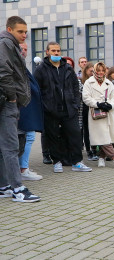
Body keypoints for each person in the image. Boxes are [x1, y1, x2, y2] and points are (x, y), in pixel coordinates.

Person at [0, 16, 41, 202]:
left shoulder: (10, 45)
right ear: (9, 30)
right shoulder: (6, 44)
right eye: (20, 31)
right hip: (7, 102)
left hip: (7, 101)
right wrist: (13, 97)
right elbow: (4, 73)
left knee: (5, 147)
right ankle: (18, 189)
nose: (24, 35)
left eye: (25, 32)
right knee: (11, 146)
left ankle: (4, 186)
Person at [34, 41, 92, 173]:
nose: (56, 53)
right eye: (53, 51)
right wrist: (44, 106)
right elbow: (37, 90)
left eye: (58, 51)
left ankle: (77, 162)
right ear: (47, 52)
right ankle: (57, 162)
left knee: (75, 135)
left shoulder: (67, 68)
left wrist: (75, 104)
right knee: (53, 136)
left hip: (69, 108)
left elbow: (75, 87)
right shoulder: (41, 69)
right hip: (51, 109)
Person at [82, 62, 114, 169]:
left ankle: (101, 158)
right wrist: (97, 104)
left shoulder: (109, 83)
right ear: (95, 71)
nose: (100, 73)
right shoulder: (88, 82)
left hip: (108, 113)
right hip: (96, 113)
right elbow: (86, 97)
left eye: (102, 70)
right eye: (98, 70)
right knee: (103, 136)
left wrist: (110, 105)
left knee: (107, 136)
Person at [17, 42, 44, 181]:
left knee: (28, 137)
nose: (24, 51)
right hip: (21, 109)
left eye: (26, 49)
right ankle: (23, 169)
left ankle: (23, 167)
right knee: (27, 137)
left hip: (27, 108)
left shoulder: (22, 66)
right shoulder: (15, 66)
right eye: (21, 48)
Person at [80, 62, 100, 161]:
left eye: (94, 71)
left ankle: (95, 149)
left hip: (95, 107)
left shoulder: (97, 82)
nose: (93, 73)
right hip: (85, 108)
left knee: (95, 130)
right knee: (87, 130)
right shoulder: (82, 82)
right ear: (86, 71)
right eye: (91, 71)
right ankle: (89, 151)